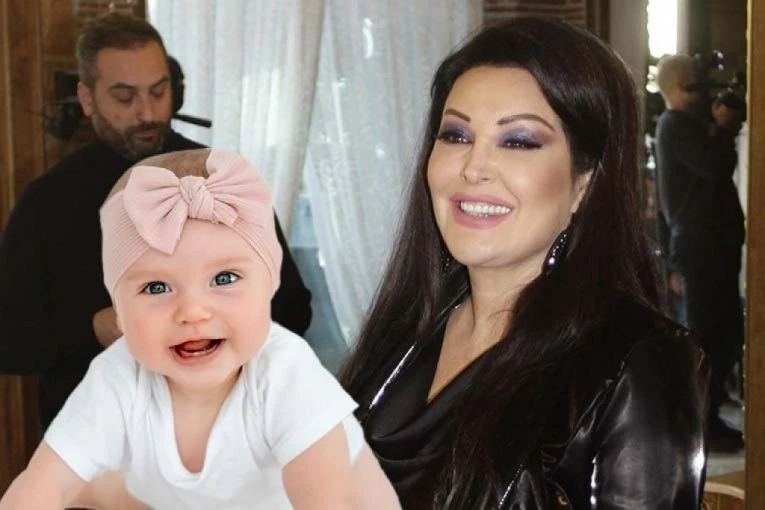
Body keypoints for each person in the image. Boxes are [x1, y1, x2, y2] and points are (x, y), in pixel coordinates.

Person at [340, 17, 709, 509]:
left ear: (585, 182)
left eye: (517, 141)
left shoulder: (638, 365)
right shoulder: (410, 325)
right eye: (456, 135)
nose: (473, 167)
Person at [0, 149, 399, 509]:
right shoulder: (118, 377)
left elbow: (324, 494)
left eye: (224, 279)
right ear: (118, 313)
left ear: (269, 288)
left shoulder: (282, 371)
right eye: (157, 287)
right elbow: (44, 482)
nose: (192, 312)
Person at [0, 12, 311, 431]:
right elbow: (8, 340)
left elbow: (293, 306)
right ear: (87, 99)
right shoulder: (47, 202)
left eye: (159, 92)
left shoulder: (222, 179)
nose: (147, 112)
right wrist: (92, 330)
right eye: (124, 97)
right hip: (95, 448)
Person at [655, 55, 744, 452]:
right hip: (699, 244)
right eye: (695, 83)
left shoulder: (689, 125)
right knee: (706, 335)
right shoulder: (675, 125)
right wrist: (723, 128)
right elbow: (713, 166)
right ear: (678, 86)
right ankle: (699, 424)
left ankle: (709, 415)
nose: (703, 91)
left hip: (711, 244)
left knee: (727, 331)